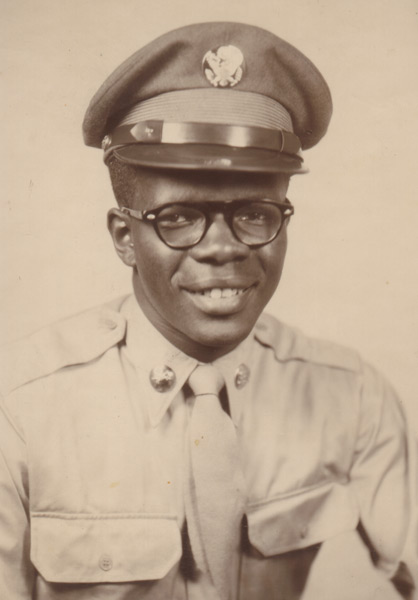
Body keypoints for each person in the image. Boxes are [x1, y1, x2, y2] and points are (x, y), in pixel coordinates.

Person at [0, 21, 415, 600]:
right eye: (179, 218)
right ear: (124, 236)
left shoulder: (353, 398)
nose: (223, 247)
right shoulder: (19, 411)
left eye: (255, 212)